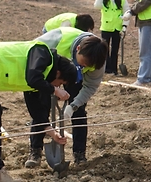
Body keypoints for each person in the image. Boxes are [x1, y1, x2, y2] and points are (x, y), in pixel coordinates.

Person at [0, 40, 77, 182]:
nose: (57, 86)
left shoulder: (38, 76)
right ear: (58, 72)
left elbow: (36, 112)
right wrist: (55, 91)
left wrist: (52, 133)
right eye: (60, 82)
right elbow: (33, 79)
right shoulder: (42, 54)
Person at [27, 27, 108, 168]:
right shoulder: (54, 40)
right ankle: (35, 150)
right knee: (41, 108)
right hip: (48, 75)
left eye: (88, 66)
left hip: (74, 78)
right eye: (83, 63)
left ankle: (79, 154)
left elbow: (90, 87)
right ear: (78, 49)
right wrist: (51, 88)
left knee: (79, 112)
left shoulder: (98, 58)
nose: (85, 66)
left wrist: (73, 105)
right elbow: (30, 58)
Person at [94, 0, 129, 75]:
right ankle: (106, 69)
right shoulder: (103, 1)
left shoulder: (122, 0)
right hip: (106, 28)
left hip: (117, 29)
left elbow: (127, 13)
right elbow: (96, 6)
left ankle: (114, 69)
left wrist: (124, 26)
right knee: (105, 50)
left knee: (115, 50)